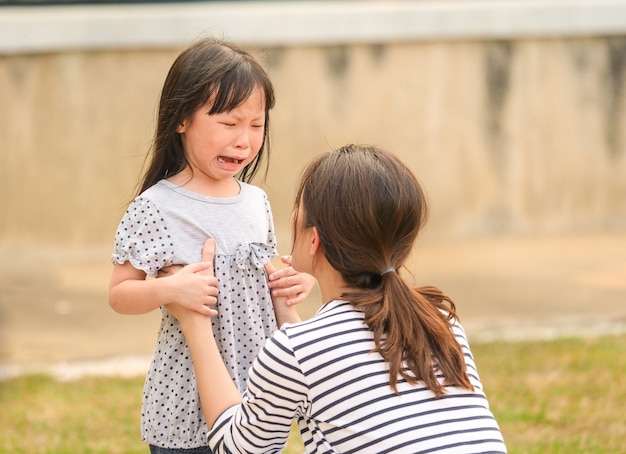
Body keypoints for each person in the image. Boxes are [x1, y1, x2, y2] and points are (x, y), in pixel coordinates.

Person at [168, 144, 508, 453]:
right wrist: (285, 310)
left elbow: (237, 449)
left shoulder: (296, 351)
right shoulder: (439, 320)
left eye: (297, 209)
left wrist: (195, 323)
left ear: (313, 240)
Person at [108, 37, 314, 453]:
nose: (245, 140)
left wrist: (293, 283)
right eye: (229, 123)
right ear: (181, 118)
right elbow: (119, 293)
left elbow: (270, 276)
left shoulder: (256, 202)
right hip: (186, 405)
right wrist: (169, 289)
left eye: (256, 126)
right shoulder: (157, 207)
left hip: (257, 399)